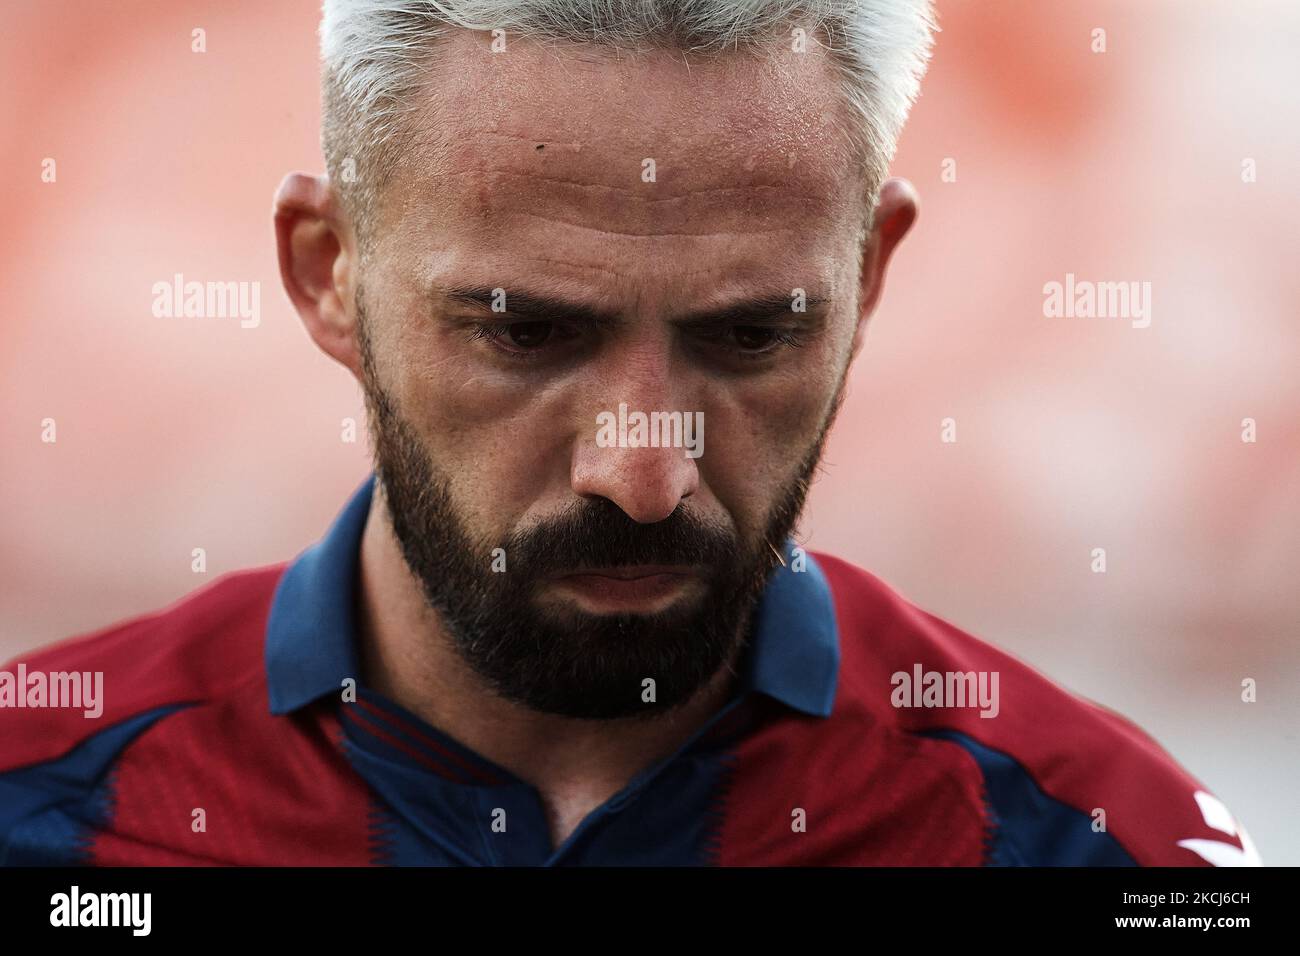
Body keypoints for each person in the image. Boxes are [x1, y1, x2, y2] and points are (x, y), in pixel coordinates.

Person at [0, 0, 1258, 866]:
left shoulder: (1108, 841)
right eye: (526, 334)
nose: (645, 472)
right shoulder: (37, 805)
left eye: (751, 336)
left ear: (868, 278)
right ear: (328, 274)